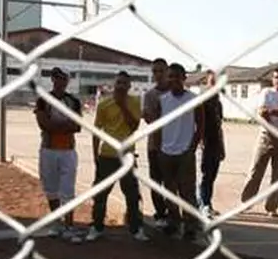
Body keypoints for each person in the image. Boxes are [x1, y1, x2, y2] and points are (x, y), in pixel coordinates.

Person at [86, 71, 148, 243]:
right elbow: (96, 132)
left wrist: (122, 105)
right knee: (100, 194)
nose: (121, 86)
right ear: (114, 84)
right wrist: (95, 155)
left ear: (129, 86)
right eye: (118, 83)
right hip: (107, 155)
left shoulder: (134, 102)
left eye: (124, 84)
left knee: (132, 194)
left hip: (127, 155)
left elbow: (134, 126)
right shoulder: (104, 104)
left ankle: (136, 228)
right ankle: (96, 226)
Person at [149, 62, 204, 242]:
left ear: (184, 78)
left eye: (176, 76)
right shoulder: (162, 100)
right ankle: (174, 222)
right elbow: (156, 127)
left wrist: (192, 147)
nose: (173, 80)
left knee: (187, 192)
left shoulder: (193, 99)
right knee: (170, 190)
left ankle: (190, 226)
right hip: (166, 152)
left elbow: (201, 126)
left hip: (185, 153)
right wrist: (158, 148)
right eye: (170, 76)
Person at [240, 64, 278, 217]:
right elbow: (262, 112)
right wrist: (275, 113)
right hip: (266, 136)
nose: (277, 80)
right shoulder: (267, 92)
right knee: (256, 170)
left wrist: (272, 111)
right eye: (275, 77)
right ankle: (246, 202)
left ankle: (271, 207)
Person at [35, 67, 84, 243]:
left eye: (63, 78)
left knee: (68, 189)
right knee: (51, 188)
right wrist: (64, 125)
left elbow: (77, 126)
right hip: (48, 149)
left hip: (67, 150)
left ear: (67, 80)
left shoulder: (73, 101)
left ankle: (69, 225)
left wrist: (55, 125)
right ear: (52, 80)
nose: (59, 81)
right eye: (56, 77)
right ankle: (56, 222)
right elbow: (43, 124)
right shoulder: (43, 100)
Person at [142, 58, 171, 226]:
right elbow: (149, 119)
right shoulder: (150, 95)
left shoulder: (175, 93)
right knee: (156, 181)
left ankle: (173, 212)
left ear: (167, 71)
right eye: (155, 71)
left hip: (173, 145)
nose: (158, 75)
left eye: (161, 71)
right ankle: (160, 213)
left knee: (172, 182)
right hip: (155, 145)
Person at [198, 70, 226, 218]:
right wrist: (201, 139)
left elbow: (219, 125)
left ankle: (205, 202)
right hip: (206, 142)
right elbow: (198, 121)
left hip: (215, 142)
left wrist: (221, 146)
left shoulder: (218, 101)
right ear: (208, 80)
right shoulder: (204, 98)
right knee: (205, 174)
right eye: (214, 79)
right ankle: (204, 204)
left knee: (211, 175)